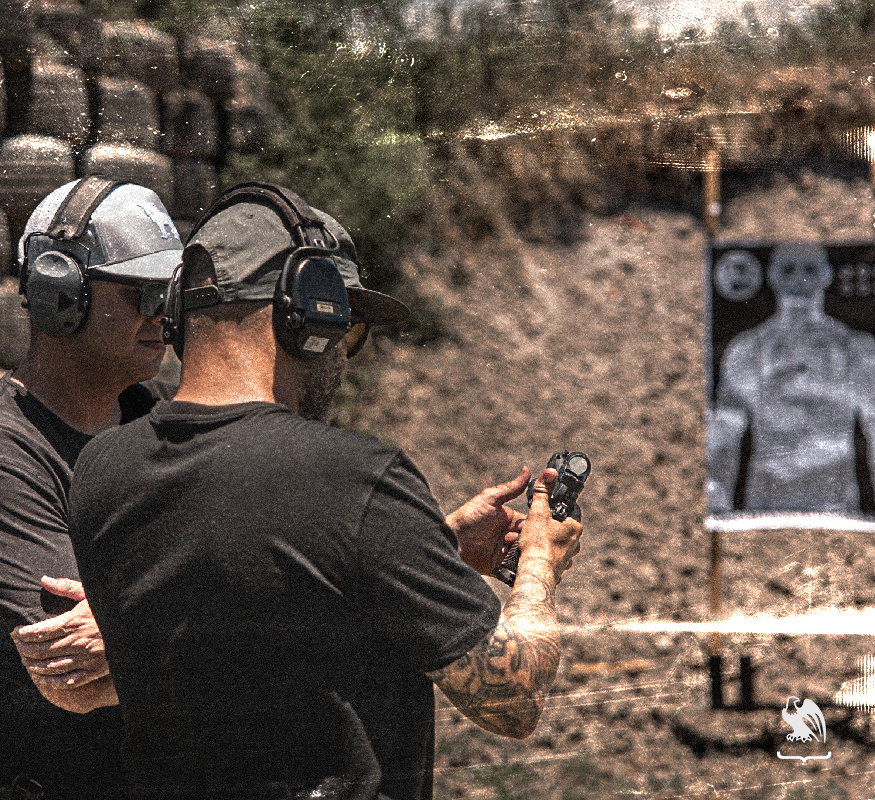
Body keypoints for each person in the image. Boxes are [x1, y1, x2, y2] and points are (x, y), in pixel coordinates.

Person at [68, 181, 585, 800]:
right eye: (347, 326)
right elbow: (513, 697)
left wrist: (433, 547)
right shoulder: (353, 478)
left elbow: (254, 598)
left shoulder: (101, 471)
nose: (345, 355)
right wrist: (538, 563)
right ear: (308, 310)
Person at [0, 176, 184, 799]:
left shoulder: (161, 416)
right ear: (57, 292)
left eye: (168, 294)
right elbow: (82, 673)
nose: (162, 316)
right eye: (142, 292)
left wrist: (136, 612)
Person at [707, 242, 875, 512]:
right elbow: (726, 426)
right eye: (788, 269)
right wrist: (716, 487)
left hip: (836, 495)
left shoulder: (855, 348)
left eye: (810, 268)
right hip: (766, 494)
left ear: (827, 274)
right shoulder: (749, 349)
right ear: (772, 275)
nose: (800, 278)